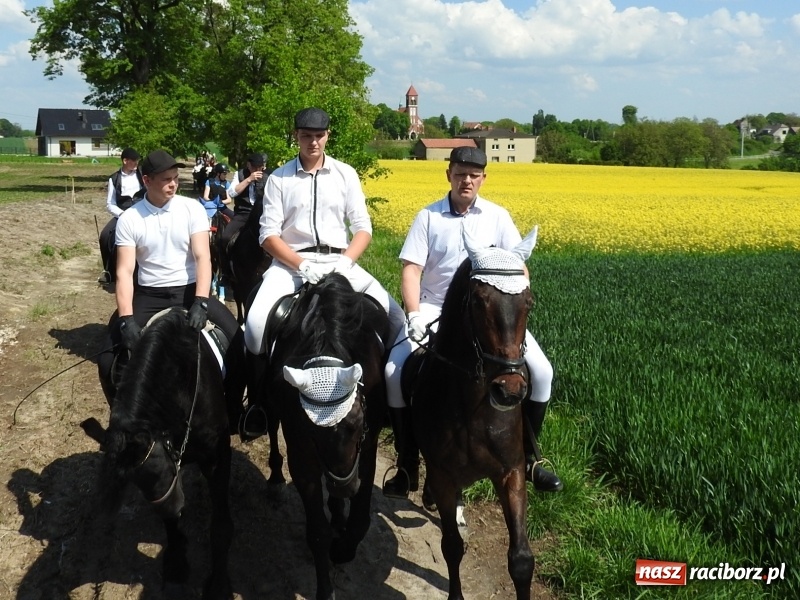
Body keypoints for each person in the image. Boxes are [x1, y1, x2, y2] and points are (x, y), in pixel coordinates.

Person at [382, 146, 563, 498]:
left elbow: (518, 265)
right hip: (437, 308)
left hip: (490, 316)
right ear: (448, 174)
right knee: (393, 372)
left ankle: (531, 459)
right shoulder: (429, 217)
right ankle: (407, 464)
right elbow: (411, 269)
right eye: (461, 173)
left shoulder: (497, 216)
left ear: (483, 178)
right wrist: (415, 313)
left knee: (542, 373)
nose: (467, 180)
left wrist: (515, 299)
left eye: (474, 175)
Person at [241, 107, 406, 435]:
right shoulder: (279, 179)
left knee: (397, 318)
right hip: (291, 264)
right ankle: (259, 405)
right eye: (306, 136)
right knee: (256, 325)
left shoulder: (346, 174)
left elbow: (362, 227)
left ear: (327, 135)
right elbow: (267, 235)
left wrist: (346, 261)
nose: (313, 142)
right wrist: (299, 264)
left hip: (339, 261)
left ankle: (387, 408)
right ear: (297, 137)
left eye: (318, 135)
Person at [96, 150, 246, 427]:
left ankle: (234, 409)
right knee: (106, 359)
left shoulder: (191, 209)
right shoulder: (130, 219)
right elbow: (125, 272)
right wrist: (127, 319)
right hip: (149, 295)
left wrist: (201, 300)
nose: (173, 184)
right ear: (146, 180)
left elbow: (203, 257)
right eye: (166, 179)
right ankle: (122, 421)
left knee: (239, 343)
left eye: (175, 178)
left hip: (190, 291)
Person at [98, 148, 145, 285]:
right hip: (122, 214)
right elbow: (110, 204)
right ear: (125, 161)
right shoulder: (114, 179)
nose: (137, 163)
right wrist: (123, 215)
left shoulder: (142, 174)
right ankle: (108, 271)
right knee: (105, 236)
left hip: (143, 211)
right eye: (134, 160)